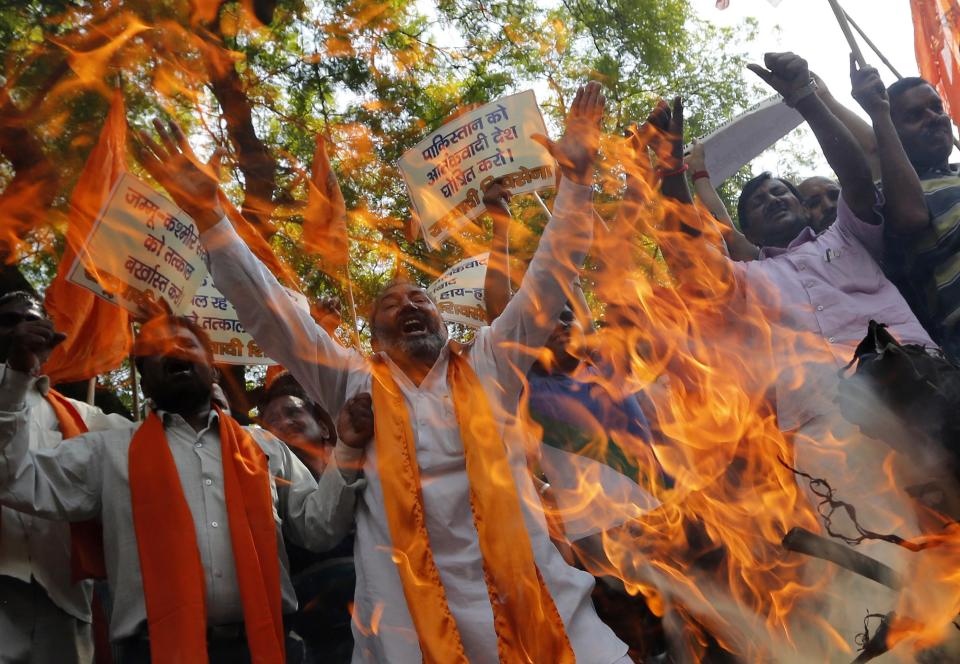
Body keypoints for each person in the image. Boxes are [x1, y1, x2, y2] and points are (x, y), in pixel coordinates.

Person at [136, 82, 632, 663]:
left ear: (443, 317)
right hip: (408, 618)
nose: (412, 305)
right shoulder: (352, 382)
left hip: (535, 599)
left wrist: (575, 182)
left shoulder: (492, 360)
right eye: (392, 304)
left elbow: (548, 276)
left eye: (420, 297)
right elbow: (273, 318)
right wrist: (211, 219)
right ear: (374, 338)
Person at [646, 52, 937, 660]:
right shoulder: (742, 285)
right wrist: (671, 174)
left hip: (925, 393)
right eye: (758, 203)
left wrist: (807, 96)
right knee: (896, 571)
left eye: (783, 192)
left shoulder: (849, 236)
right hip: (830, 439)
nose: (774, 201)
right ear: (744, 225)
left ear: (805, 206)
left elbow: (858, 177)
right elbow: (686, 254)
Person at [0, 313, 365, 662]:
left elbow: (318, 529)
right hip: (153, 653)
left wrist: (347, 448)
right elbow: (13, 478)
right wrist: (17, 378)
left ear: (211, 368)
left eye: (186, 343)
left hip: (265, 647)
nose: (173, 348)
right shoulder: (107, 448)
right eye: (156, 348)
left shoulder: (264, 446)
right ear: (144, 379)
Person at [0, 291, 130, 664]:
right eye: (9, 321)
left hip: (64, 596)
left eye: (32, 320)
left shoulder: (85, 417)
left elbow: (152, 446)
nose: (23, 329)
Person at [258, 372, 355, 664]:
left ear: (324, 428)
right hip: (311, 639)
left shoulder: (360, 472)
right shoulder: (264, 491)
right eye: (271, 421)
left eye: (293, 411)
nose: (283, 423)